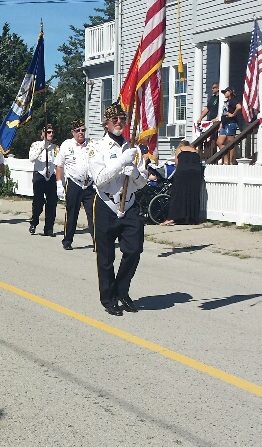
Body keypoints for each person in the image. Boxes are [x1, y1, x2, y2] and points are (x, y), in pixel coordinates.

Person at [87, 102, 149, 316]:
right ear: (106, 124)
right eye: (115, 119)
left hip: (129, 204)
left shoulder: (133, 149)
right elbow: (100, 180)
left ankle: (122, 290)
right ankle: (108, 298)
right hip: (105, 204)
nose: (119, 122)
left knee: (134, 250)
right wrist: (121, 162)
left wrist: (134, 173)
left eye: (122, 119)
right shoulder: (96, 148)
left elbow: (142, 184)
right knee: (105, 257)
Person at [54, 118, 94, 250]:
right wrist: (59, 184)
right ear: (73, 132)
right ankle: (67, 241)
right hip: (74, 183)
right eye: (78, 131)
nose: (81, 133)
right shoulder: (66, 145)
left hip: (89, 185)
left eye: (83, 130)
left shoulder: (91, 144)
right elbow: (59, 165)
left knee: (94, 214)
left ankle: (98, 241)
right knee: (72, 213)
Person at [163, 141, 203, 225]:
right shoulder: (195, 151)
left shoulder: (180, 149)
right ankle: (192, 218)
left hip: (183, 170)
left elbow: (177, 163)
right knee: (193, 194)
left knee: (178, 193)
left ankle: (173, 217)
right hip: (196, 172)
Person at [28, 126, 58, 236]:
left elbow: (58, 163)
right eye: (48, 132)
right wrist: (42, 147)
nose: (51, 134)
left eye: (52, 132)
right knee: (38, 202)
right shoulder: (36, 145)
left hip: (50, 177)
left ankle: (49, 228)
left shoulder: (55, 148)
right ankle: (34, 222)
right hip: (39, 176)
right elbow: (32, 158)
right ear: (43, 134)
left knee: (52, 203)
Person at [217, 88, 242, 164]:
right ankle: (226, 160)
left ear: (230, 92)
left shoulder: (233, 100)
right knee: (219, 142)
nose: (224, 93)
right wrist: (221, 124)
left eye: (225, 92)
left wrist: (232, 115)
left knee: (230, 142)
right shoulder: (227, 102)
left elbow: (239, 107)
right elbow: (223, 113)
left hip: (231, 123)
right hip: (224, 124)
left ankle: (230, 161)